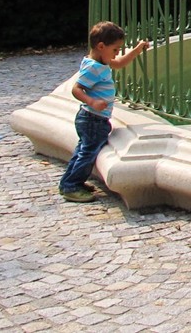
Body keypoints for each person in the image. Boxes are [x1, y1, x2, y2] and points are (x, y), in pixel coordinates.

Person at [57, 21, 149, 203]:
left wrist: (138, 49)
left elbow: (120, 63)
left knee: (83, 150)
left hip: (95, 119)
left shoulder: (100, 62)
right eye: (115, 49)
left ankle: (69, 182)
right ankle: (71, 186)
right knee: (87, 152)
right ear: (101, 46)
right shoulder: (93, 68)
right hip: (92, 118)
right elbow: (77, 89)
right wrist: (92, 101)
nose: (116, 53)